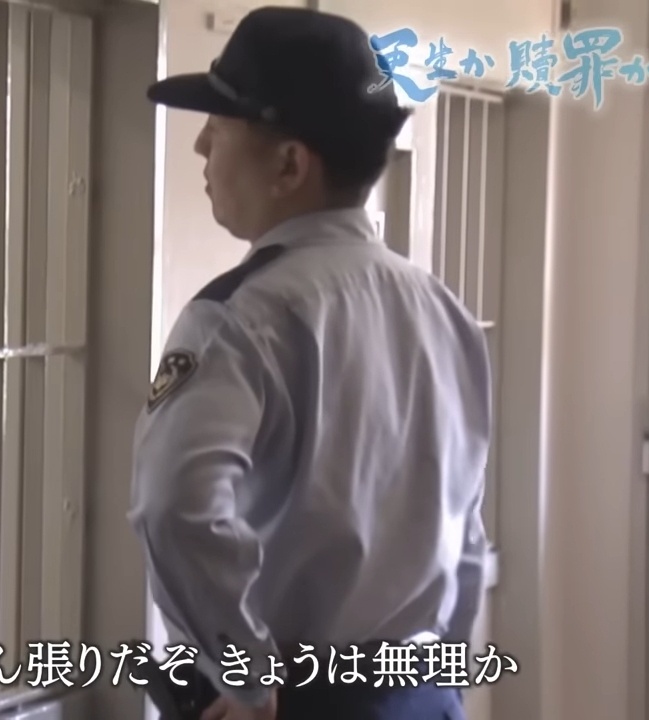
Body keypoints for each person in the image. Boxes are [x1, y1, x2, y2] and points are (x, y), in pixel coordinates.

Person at [127, 7, 491, 720]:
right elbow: (466, 525)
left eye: (218, 126)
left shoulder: (239, 316)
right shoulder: (444, 311)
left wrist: (246, 676)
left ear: (290, 164)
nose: (200, 145)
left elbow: (174, 506)